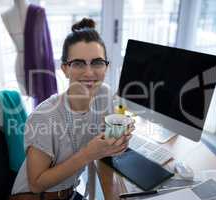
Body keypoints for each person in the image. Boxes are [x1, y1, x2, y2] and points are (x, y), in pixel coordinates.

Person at [10, 18, 134, 200]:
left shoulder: (104, 95)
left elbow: (104, 152)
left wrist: (117, 143)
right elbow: (36, 184)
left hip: (70, 194)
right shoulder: (45, 117)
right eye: (78, 63)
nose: (89, 72)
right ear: (65, 69)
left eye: (97, 62)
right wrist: (88, 154)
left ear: (106, 66)